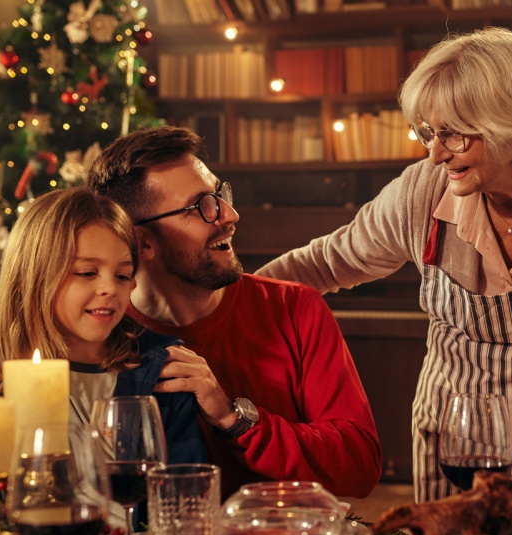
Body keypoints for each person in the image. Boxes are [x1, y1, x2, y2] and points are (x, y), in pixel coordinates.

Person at [257, 27, 512, 501]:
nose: (434, 153)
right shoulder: (421, 192)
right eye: (429, 132)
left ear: (511, 127)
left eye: (452, 134)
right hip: (457, 437)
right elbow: (325, 264)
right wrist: (227, 297)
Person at [85, 126, 382, 500]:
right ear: (142, 241)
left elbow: (359, 466)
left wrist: (232, 418)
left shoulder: (295, 308)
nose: (230, 215)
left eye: (219, 195)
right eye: (200, 207)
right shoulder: (101, 331)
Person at [0, 187, 207, 466]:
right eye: (87, 273)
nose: (110, 288)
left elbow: (184, 484)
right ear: (33, 278)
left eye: (122, 276)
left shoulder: (163, 372)